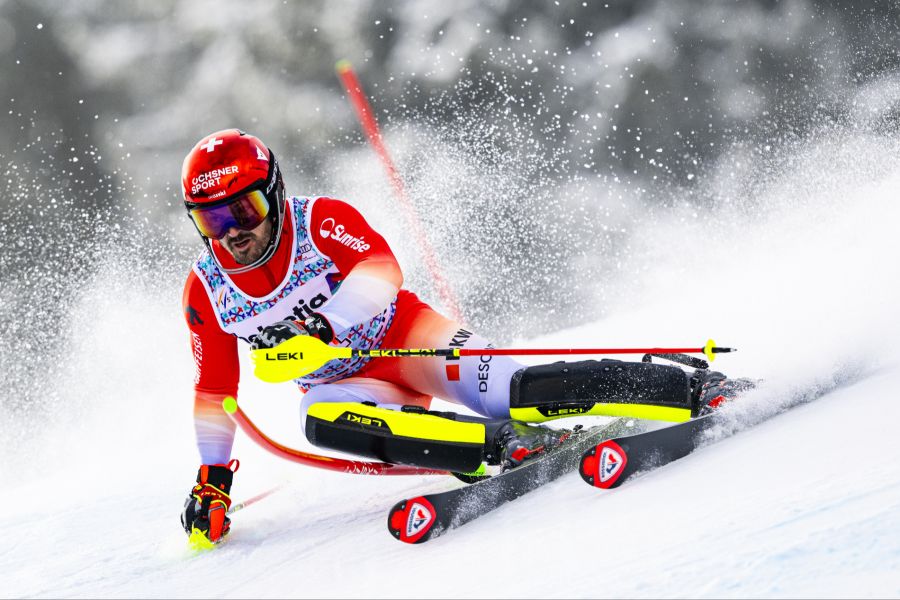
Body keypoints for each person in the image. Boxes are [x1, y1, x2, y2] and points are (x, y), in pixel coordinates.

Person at [179, 129, 747, 544]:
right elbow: (214, 390)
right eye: (212, 221)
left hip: (406, 339)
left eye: (244, 211)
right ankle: (501, 446)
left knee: (515, 390)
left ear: (275, 193)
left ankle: (687, 387)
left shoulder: (319, 220)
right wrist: (212, 483)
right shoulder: (207, 289)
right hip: (347, 386)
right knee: (319, 420)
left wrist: (321, 326)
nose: (232, 235)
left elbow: (382, 271)